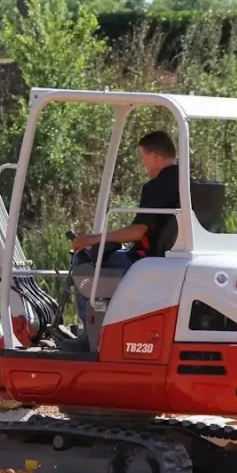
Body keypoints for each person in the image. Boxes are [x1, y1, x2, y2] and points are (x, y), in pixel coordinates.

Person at [61, 130, 180, 352]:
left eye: (143, 158)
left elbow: (137, 232)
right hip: (175, 261)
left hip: (146, 263)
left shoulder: (157, 187)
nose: (143, 164)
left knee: (84, 262)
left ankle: (90, 336)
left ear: (154, 156)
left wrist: (92, 239)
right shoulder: (192, 184)